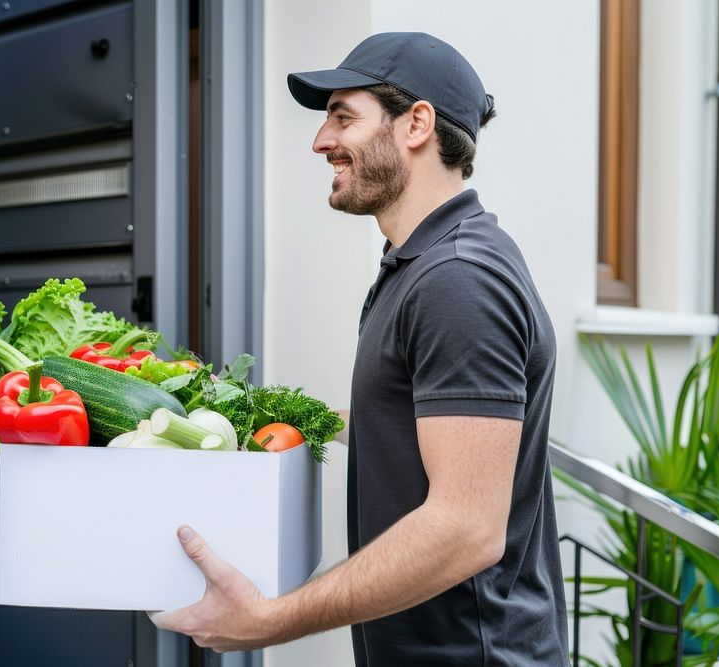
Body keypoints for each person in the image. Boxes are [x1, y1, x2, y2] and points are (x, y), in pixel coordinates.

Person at [150, 32, 569, 665]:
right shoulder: (423, 261)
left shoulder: (459, 279)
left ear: (417, 124)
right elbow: (421, 421)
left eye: (344, 118)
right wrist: (298, 419)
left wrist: (266, 621)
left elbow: (467, 528)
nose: (321, 141)